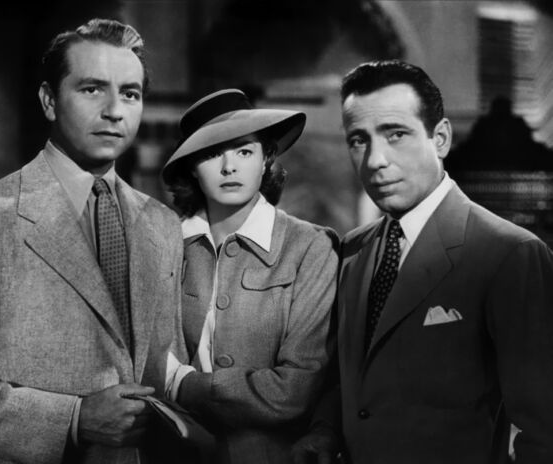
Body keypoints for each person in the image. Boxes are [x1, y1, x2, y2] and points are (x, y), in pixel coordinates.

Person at [293, 60, 553, 464]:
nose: (375, 160)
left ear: (441, 138)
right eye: (359, 140)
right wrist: (324, 431)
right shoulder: (352, 250)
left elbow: (544, 429)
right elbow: (352, 378)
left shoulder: (509, 253)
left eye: (396, 134)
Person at [0, 18, 184, 464]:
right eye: (92, 89)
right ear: (49, 100)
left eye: (130, 93)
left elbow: (165, 367)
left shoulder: (162, 224)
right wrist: (72, 419)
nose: (115, 110)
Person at [161, 89, 339, 464]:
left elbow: (295, 390)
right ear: (191, 166)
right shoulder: (164, 244)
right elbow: (148, 367)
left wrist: (183, 383)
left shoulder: (311, 247)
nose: (229, 167)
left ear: (266, 158)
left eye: (244, 152)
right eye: (211, 154)